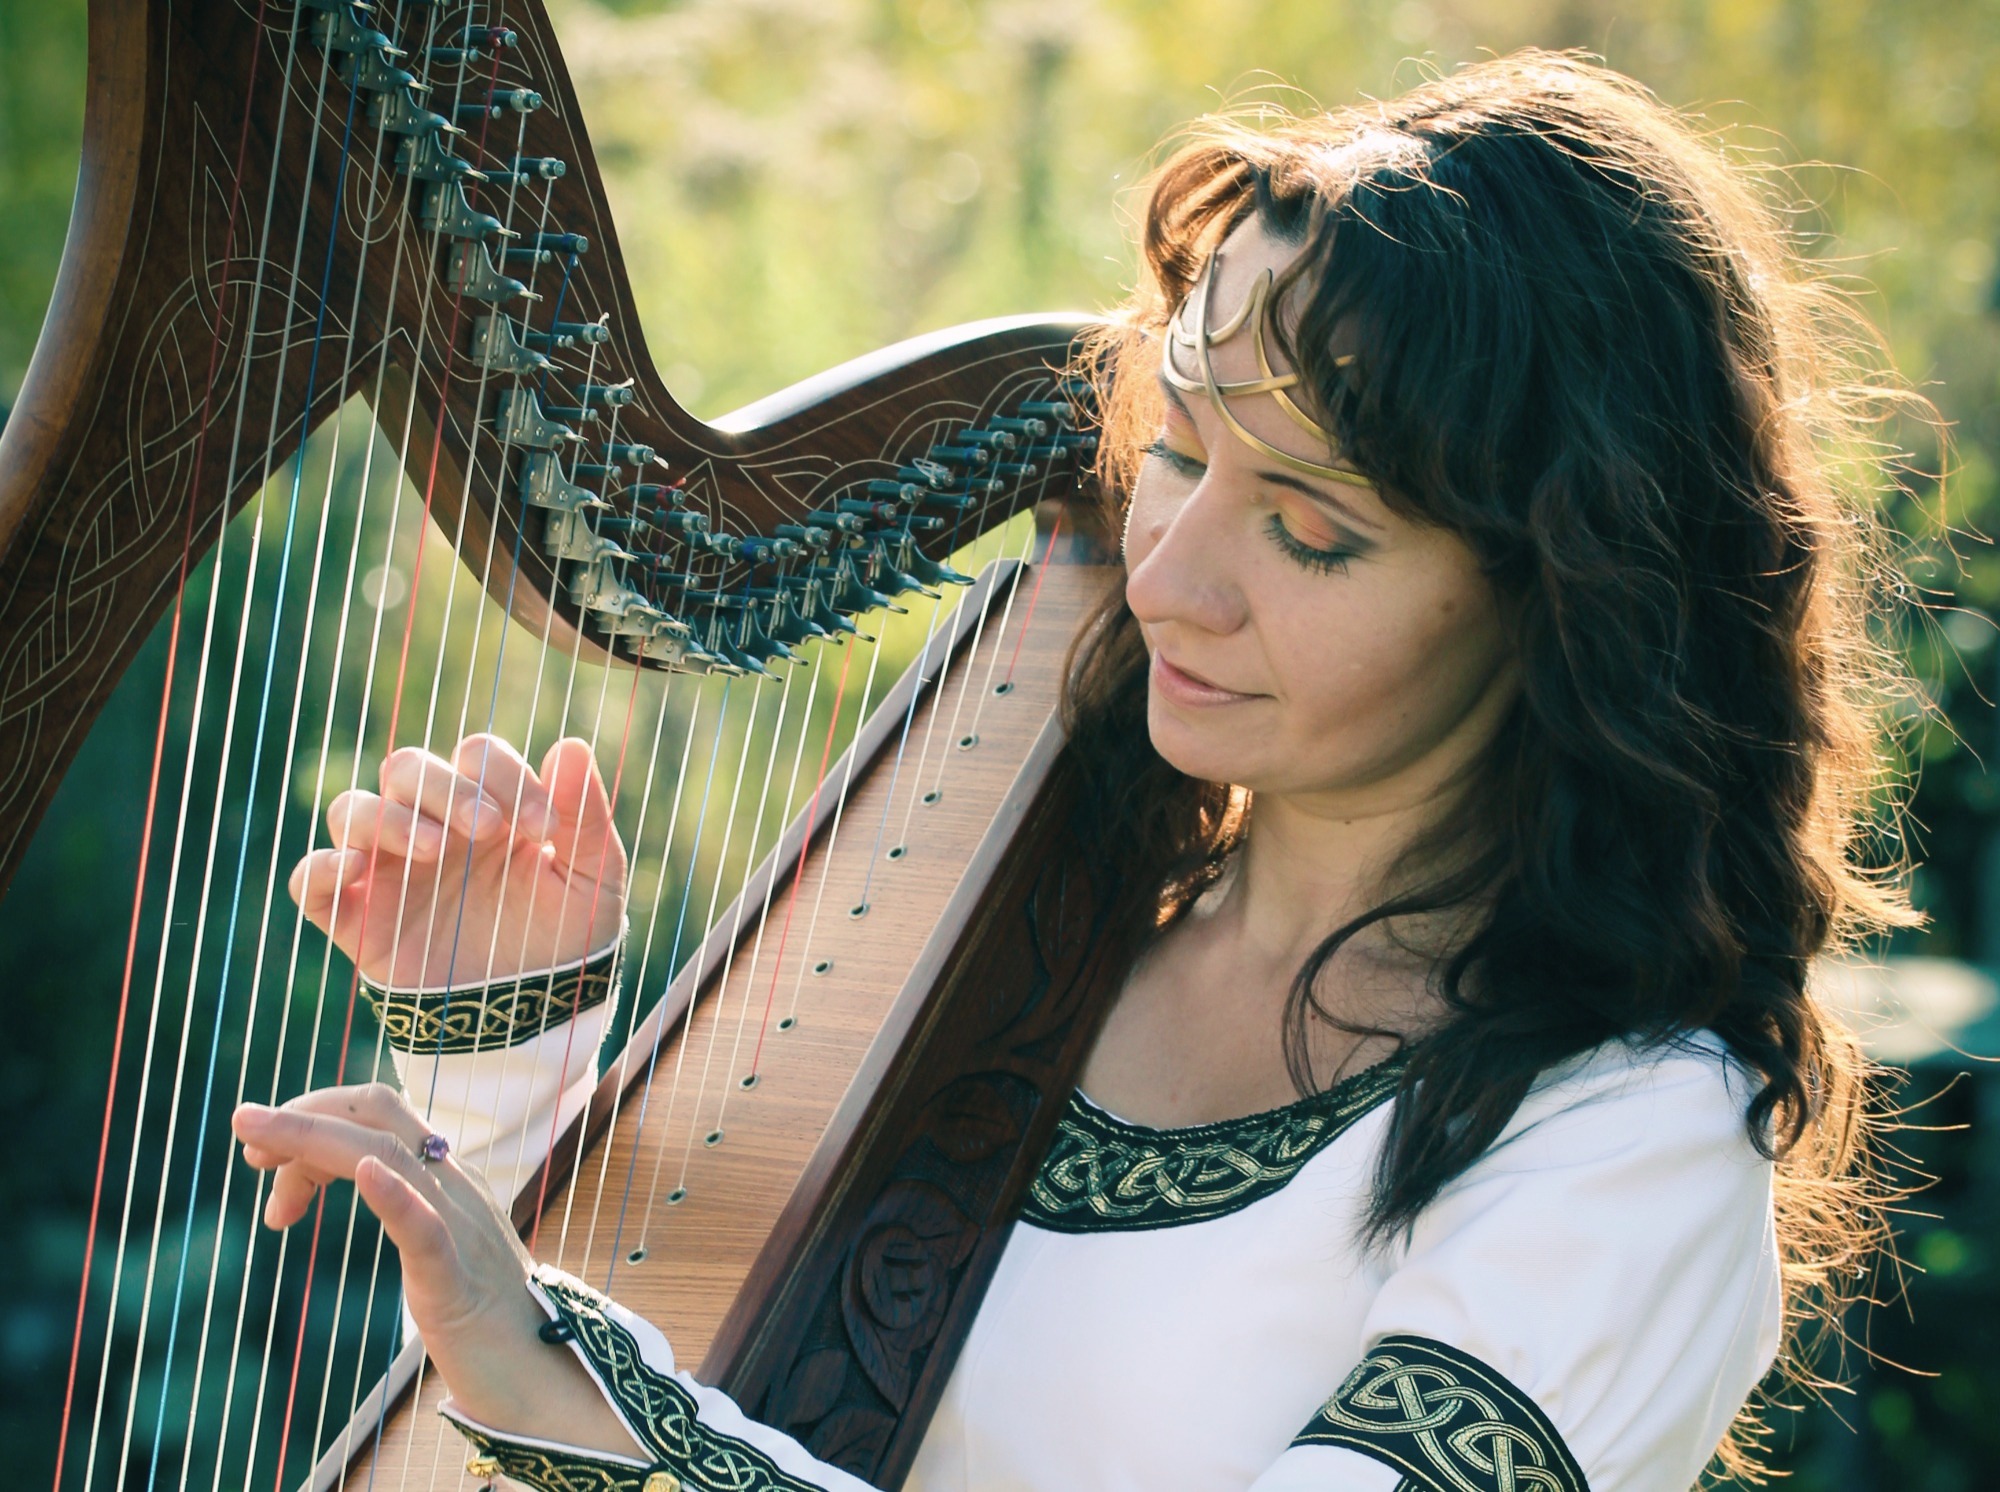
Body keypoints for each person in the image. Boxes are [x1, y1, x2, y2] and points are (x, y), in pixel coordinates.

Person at [232, 49, 1923, 1492]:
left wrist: (570, 1399)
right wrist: (505, 1063)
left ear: (1570, 602)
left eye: (1312, 531)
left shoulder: (1626, 1146)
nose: (1170, 574)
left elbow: (611, 1414)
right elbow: (629, 1390)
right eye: (1178, 449)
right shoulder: (1036, 928)